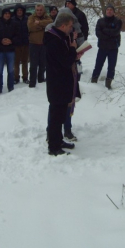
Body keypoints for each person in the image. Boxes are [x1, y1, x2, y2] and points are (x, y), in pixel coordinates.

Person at [44, 12, 80, 156]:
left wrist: (73, 51)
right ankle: (53, 147)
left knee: (59, 116)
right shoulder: (54, 40)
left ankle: (58, 140)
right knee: (56, 116)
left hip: (61, 82)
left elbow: (65, 58)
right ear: (63, 25)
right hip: (57, 83)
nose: (71, 29)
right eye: (70, 26)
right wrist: (72, 49)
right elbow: (65, 61)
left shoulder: (58, 36)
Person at [91, 4, 122, 89]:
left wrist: (105, 30)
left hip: (113, 48)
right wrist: (109, 35)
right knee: (98, 65)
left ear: (114, 12)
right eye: (107, 9)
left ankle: (108, 83)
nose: (109, 11)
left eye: (111, 10)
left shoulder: (118, 21)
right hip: (102, 47)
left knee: (111, 66)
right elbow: (98, 33)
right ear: (105, 11)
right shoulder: (100, 21)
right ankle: (93, 82)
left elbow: (116, 32)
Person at [0, 8, 20, 95]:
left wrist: (11, 41)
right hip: (0, 50)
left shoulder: (14, 23)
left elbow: (18, 36)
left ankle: (10, 87)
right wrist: (1, 40)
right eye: (5, 13)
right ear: (3, 14)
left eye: (8, 13)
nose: (7, 15)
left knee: (11, 70)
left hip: (10, 49)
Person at [27, 4, 52, 88]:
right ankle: (32, 82)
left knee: (43, 63)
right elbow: (31, 27)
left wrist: (39, 23)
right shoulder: (31, 17)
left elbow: (50, 23)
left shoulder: (47, 17)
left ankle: (41, 79)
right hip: (33, 44)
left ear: (43, 10)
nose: (39, 11)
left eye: (40, 10)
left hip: (44, 44)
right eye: (37, 10)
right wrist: (42, 27)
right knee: (33, 65)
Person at [13, 4, 29, 84]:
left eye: (21, 11)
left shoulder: (27, 19)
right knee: (16, 62)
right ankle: (16, 77)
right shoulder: (13, 20)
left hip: (25, 43)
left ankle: (25, 77)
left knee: (25, 61)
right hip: (16, 44)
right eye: (18, 11)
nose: (19, 12)